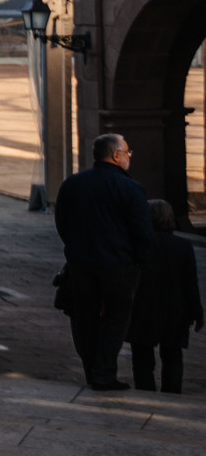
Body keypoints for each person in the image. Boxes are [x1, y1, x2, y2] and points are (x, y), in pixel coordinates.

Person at [55, 132, 153, 391]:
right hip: (119, 265)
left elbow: (62, 222)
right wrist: (141, 262)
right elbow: (142, 231)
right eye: (127, 152)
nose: (129, 157)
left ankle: (92, 370)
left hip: (81, 263)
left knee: (84, 317)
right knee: (116, 318)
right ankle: (104, 373)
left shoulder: (73, 184)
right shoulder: (131, 188)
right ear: (116, 155)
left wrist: (74, 248)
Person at [131, 200, 204, 394]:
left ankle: (145, 392)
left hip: (143, 307)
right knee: (172, 356)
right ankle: (172, 393)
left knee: (142, 357)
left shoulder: (139, 244)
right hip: (175, 309)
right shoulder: (183, 246)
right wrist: (198, 313)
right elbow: (190, 283)